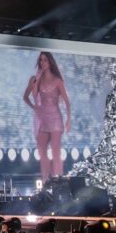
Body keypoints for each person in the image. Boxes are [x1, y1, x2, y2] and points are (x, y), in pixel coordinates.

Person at [23, 51, 71, 182]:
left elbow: (67, 101)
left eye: (45, 60)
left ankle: (58, 181)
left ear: (50, 62)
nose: (42, 62)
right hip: (42, 119)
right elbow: (31, 96)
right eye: (41, 60)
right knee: (42, 153)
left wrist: (68, 119)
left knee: (56, 152)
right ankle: (46, 182)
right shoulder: (35, 79)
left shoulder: (57, 80)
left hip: (55, 118)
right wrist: (34, 107)